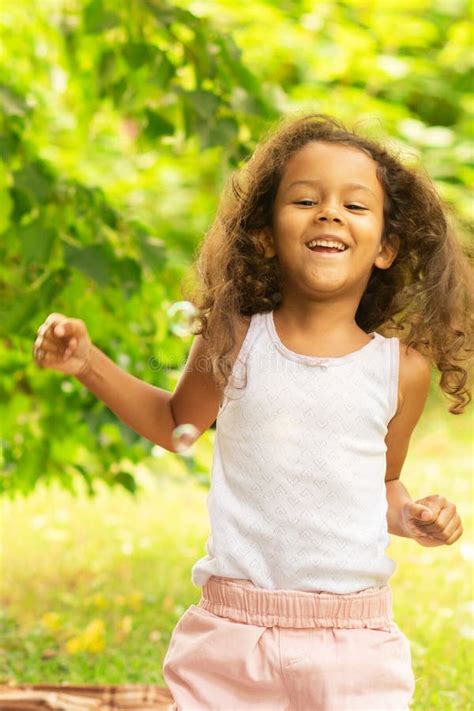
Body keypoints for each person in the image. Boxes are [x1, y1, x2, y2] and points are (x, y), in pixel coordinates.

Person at [33, 113, 470, 710]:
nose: (329, 213)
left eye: (356, 206)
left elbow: (385, 482)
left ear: (387, 247)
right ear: (265, 233)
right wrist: (88, 362)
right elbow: (173, 424)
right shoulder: (235, 338)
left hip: (353, 644)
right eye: (306, 199)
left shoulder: (402, 370)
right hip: (233, 634)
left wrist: (414, 515)